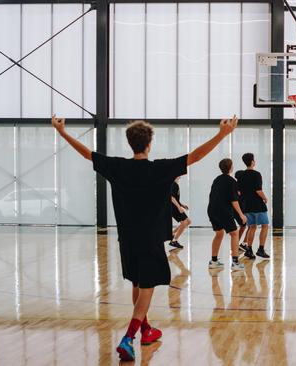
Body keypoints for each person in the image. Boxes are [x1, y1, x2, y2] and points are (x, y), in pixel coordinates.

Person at [51, 114, 237, 361]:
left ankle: (146, 329)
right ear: (149, 144)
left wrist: (62, 132)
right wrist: (222, 134)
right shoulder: (160, 168)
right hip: (150, 239)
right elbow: (195, 156)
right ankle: (129, 337)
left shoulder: (117, 166)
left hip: (126, 239)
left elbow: (87, 154)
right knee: (147, 287)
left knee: (138, 284)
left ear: (131, 143)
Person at [207, 158, 247, 271]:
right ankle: (235, 263)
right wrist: (241, 214)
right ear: (230, 168)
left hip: (212, 210)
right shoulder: (232, 181)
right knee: (234, 233)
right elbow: (234, 201)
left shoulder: (216, 180)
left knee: (219, 234)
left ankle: (213, 261)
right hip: (223, 211)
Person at [236, 153, 271, 259]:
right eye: (254, 160)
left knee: (252, 226)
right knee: (265, 225)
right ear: (252, 162)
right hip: (257, 204)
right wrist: (265, 198)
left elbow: (239, 192)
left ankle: (249, 250)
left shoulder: (241, 175)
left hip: (246, 205)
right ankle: (261, 249)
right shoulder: (256, 174)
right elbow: (258, 190)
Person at [168, 176, 191, 249]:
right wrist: (178, 207)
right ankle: (174, 241)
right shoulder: (173, 184)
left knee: (188, 222)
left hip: (176, 206)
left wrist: (182, 205)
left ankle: (172, 234)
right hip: (174, 208)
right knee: (184, 223)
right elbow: (171, 197)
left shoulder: (176, 184)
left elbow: (175, 198)